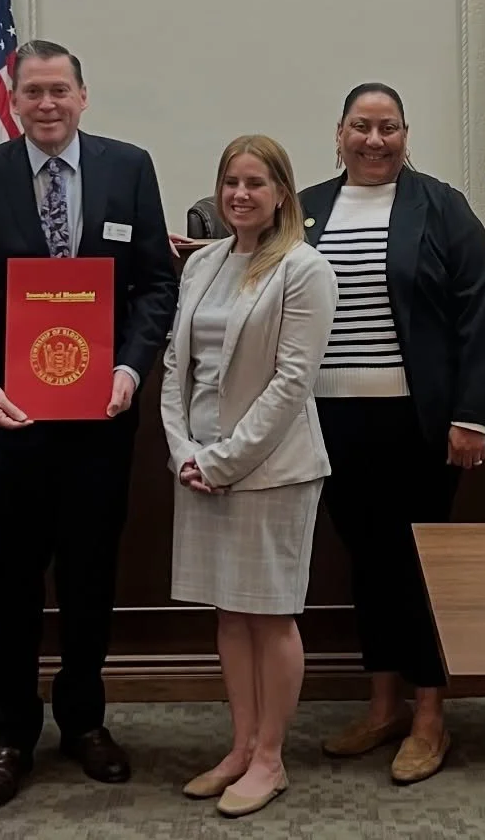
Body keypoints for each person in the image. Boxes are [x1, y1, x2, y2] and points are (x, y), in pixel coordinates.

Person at [0, 39, 178, 809]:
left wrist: (130, 368)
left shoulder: (127, 168)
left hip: (99, 424)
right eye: (32, 92)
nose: (45, 104)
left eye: (58, 91)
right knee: (9, 585)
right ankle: (11, 736)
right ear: (13, 103)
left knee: (89, 580)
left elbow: (153, 288)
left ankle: (83, 722)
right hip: (7, 426)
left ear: (82, 97)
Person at [300, 82, 485, 786]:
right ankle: (383, 704)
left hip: (419, 425)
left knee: (417, 567)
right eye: (362, 126)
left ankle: (429, 716)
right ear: (339, 132)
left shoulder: (440, 207)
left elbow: (481, 315)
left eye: (388, 127)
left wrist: (471, 416)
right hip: (328, 423)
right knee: (367, 562)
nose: (375, 140)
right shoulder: (308, 210)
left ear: (405, 133)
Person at [162, 135, 337, 818]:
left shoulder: (303, 268)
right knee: (230, 615)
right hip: (200, 463)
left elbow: (294, 383)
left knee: (270, 615)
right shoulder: (202, 262)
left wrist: (225, 459)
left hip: (271, 469)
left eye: (255, 183)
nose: (240, 195)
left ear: (281, 194)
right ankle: (239, 745)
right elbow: (178, 368)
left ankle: (271, 757)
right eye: (230, 182)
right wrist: (183, 451)